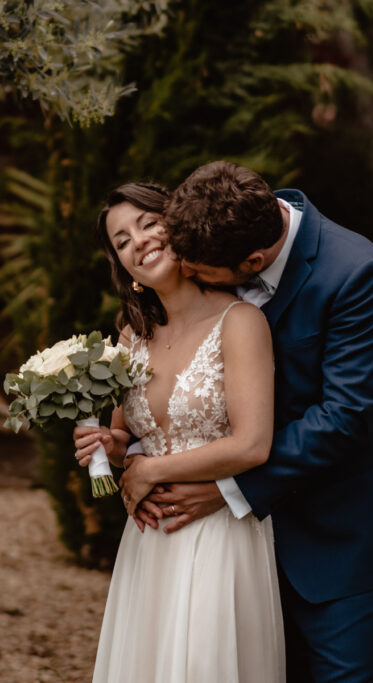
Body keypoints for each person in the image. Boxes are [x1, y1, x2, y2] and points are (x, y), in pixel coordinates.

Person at [125, 161, 373, 682]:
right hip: (231, 561)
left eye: (198, 272)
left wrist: (228, 486)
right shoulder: (219, 224)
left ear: (253, 261)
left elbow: (342, 418)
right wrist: (135, 448)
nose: (184, 273)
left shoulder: (356, 274)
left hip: (335, 547)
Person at [74, 182, 286, 682]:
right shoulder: (131, 334)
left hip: (219, 535)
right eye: (122, 241)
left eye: (148, 224)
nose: (139, 242)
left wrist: (151, 470)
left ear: (178, 225)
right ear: (121, 264)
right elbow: (129, 439)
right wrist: (109, 445)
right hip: (149, 541)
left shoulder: (241, 321)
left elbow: (253, 445)